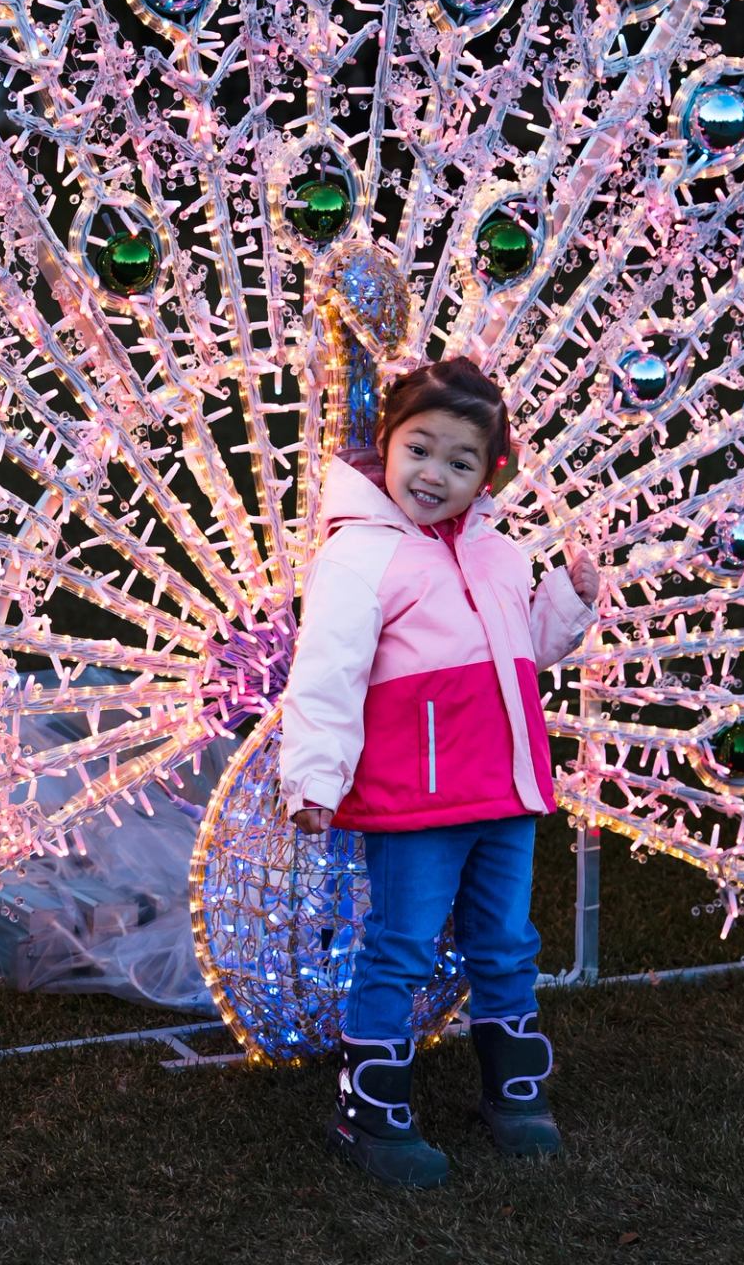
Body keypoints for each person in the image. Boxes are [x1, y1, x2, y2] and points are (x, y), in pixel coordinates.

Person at [279, 355, 602, 1189]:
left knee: (505, 943)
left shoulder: (498, 551)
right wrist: (313, 778)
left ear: (488, 473)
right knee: (401, 946)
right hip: (415, 801)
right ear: (385, 444)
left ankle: (515, 1093)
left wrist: (566, 604)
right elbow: (327, 670)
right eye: (420, 449)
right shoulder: (358, 556)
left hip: (505, 789)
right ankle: (369, 1114)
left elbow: (522, 654)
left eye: (461, 463)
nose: (435, 474)